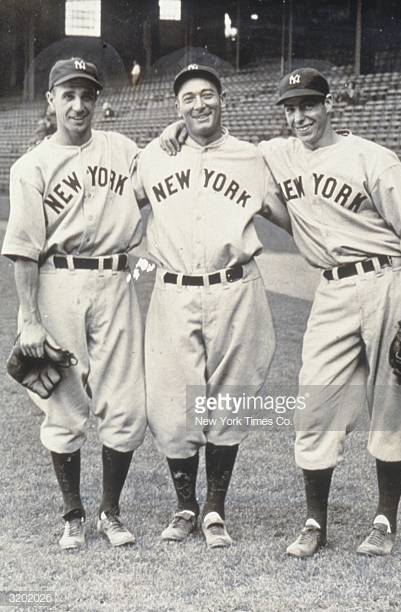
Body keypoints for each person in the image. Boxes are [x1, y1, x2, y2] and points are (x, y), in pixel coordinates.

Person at [160, 67, 401, 558]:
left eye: (309, 104)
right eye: (290, 108)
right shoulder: (275, 153)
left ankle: (384, 521)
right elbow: (218, 142)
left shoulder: (374, 158)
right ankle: (315, 523)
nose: (299, 116)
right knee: (314, 406)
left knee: (391, 406)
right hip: (330, 289)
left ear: (330, 105)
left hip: (388, 281)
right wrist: (176, 128)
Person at [132, 64, 290, 549]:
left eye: (207, 95)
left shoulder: (252, 157)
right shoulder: (154, 157)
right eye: (188, 99)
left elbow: (292, 218)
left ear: (224, 100)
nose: (198, 105)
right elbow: (111, 205)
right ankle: (185, 506)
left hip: (236, 287)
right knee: (171, 402)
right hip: (173, 290)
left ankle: (215, 508)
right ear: (176, 108)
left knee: (230, 398)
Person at [2, 57, 147, 550]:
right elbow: (22, 250)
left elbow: (163, 175)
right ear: (51, 101)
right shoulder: (32, 166)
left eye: (88, 95)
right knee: (63, 401)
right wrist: (29, 321)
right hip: (56, 280)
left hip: (115, 281)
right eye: (69, 95)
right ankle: (73, 513)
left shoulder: (124, 149)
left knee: (125, 401)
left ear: (98, 101)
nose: (79, 105)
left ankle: (111, 512)